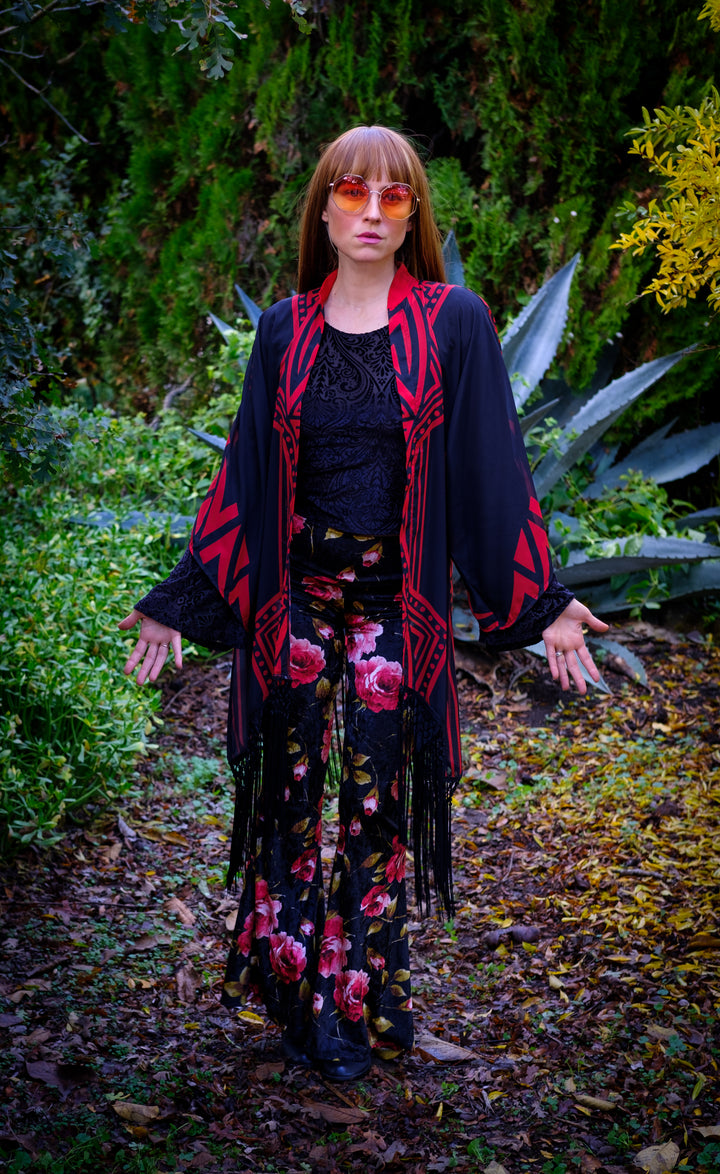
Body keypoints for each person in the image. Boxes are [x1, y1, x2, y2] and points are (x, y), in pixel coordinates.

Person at [120, 125, 608, 1082]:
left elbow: (490, 472)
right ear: (325, 208)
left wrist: (544, 602)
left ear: (415, 212)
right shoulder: (284, 330)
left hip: (398, 599)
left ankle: (369, 995)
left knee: (377, 799)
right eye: (353, 193)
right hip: (295, 594)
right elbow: (247, 478)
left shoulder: (451, 321)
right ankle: (300, 998)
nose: (373, 213)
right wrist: (179, 599)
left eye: (393, 197)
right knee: (292, 797)